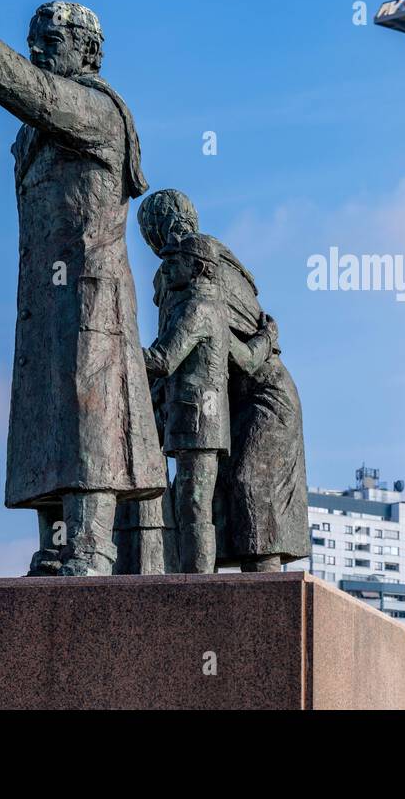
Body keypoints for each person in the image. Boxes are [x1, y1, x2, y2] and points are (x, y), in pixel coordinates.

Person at [0, 0, 167, 576]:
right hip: (46, 297)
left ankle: (92, 544)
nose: (37, 51)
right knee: (47, 407)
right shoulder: (36, 134)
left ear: (87, 52)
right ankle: (57, 541)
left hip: (88, 292)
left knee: (88, 406)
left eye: (49, 42)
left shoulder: (97, 112)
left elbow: (34, 91)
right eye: (32, 41)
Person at [137, 191, 309, 572]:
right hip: (225, 395)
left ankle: (265, 598)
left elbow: (173, 353)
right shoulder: (204, 261)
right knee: (213, 494)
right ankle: (233, 598)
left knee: (251, 484)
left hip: (264, 394)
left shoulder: (193, 269)